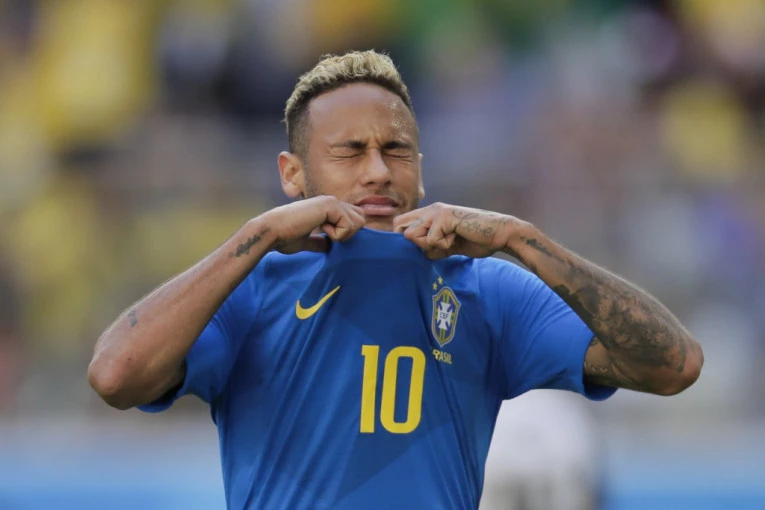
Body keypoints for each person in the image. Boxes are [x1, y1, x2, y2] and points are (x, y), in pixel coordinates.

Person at [88, 50, 703, 509]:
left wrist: (521, 239)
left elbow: (673, 365)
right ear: (292, 174)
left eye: (397, 150)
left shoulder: (487, 289)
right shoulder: (249, 288)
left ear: (422, 169)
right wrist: (261, 234)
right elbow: (116, 375)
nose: (379, 171)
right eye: (350, 151)